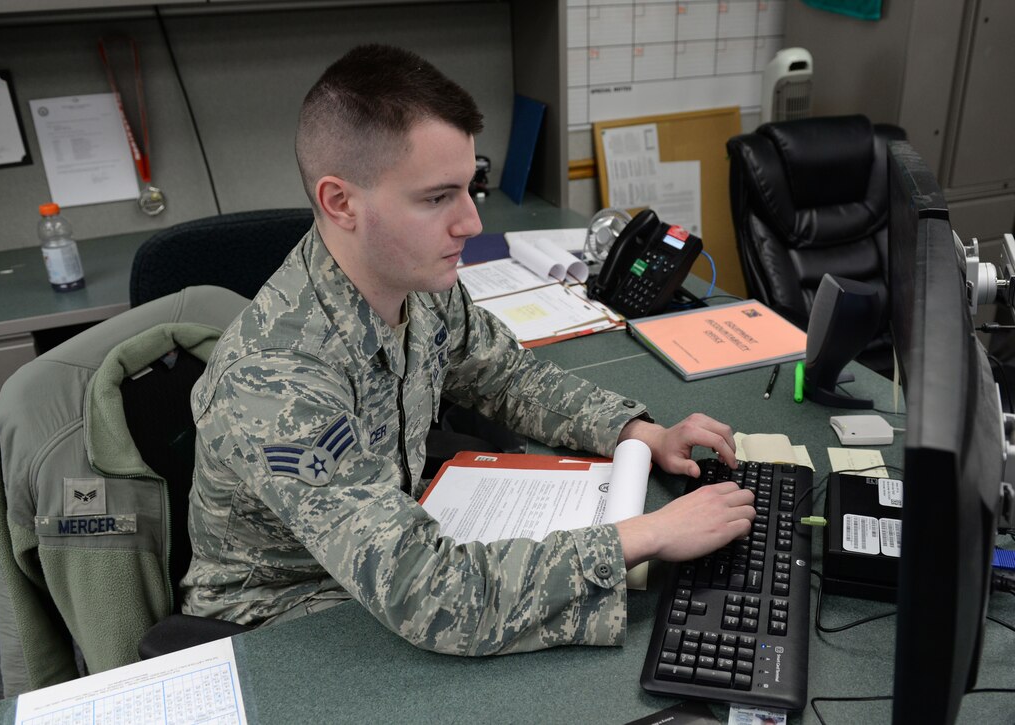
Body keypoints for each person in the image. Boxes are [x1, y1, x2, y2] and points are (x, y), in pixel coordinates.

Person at [182, 43, 755, 654]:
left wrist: (638, 434)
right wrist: (643, 537)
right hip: (281, 624)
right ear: (340, 202)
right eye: (436, 198)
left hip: (376, 568)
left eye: (469, 188)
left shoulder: (415, 285)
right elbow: (435, 599)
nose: (471, 224)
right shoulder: (276, 380)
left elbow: (508, 378)